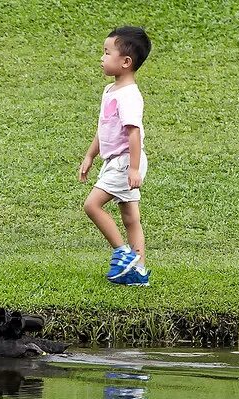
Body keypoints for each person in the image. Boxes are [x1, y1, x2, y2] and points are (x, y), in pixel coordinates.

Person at [78, 26, 152, 287]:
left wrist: (133, 169)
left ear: (126, 62)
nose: (102, 57)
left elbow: (134, 134)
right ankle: (139, 272)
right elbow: (105, 129)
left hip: (124, 162)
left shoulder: (129, 96)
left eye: (107, 52)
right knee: (130, 216)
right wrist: (90, 156)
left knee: (92, 205)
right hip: (116, 160)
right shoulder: (110, 91)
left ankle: (123, 254)